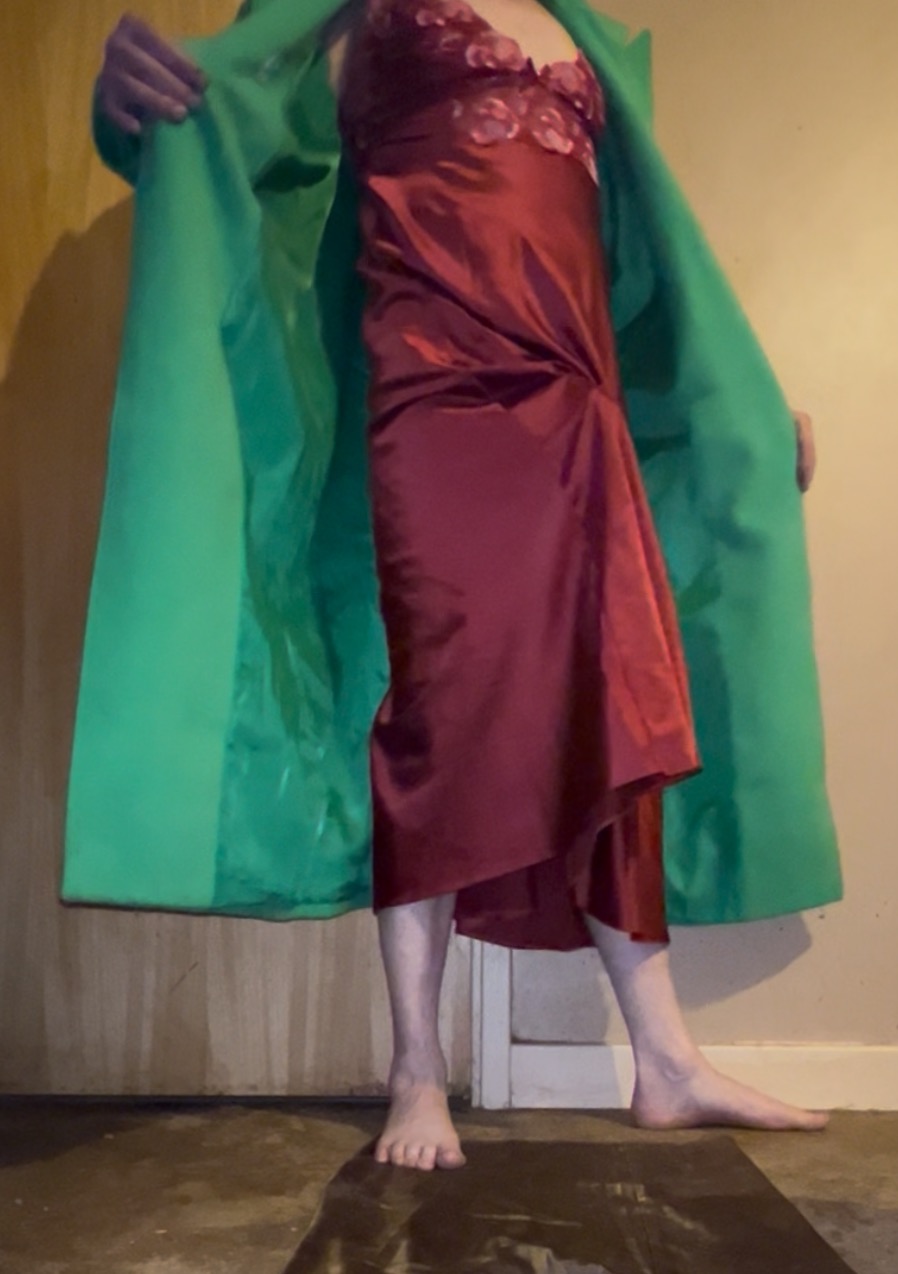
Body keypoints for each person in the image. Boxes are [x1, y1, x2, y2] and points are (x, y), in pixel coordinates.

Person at [85, 1, 832, 1172]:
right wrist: (126, 103)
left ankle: (665, 1059)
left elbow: (645, 261)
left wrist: (733, 408)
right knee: (441, 702)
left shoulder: (581, 25)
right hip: (438, 394)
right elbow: (227, 107)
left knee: (615, 697)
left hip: (578, 399)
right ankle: (417, 1065)